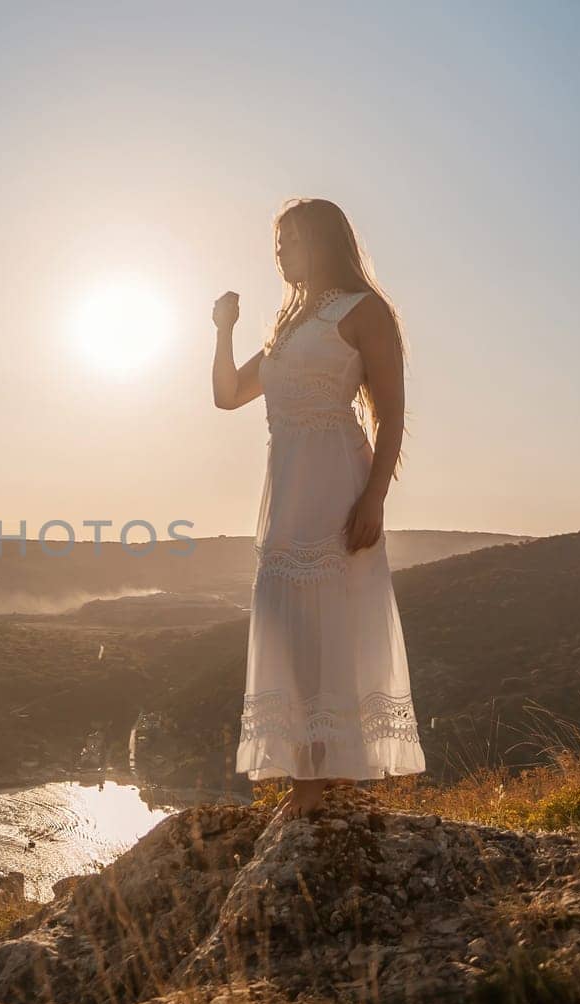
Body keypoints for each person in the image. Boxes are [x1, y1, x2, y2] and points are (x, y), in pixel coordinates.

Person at [211, 198, 427, 817]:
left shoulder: (365, 311)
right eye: (278, 245)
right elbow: (228, 395)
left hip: (337, 482)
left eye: (293, 242)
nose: (281, 254)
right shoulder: (286, 326)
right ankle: (309, 778)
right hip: (285, 492)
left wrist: (375, 497)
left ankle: (324, 785)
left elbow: (390, 411)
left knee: (331, 625)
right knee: (288, 622)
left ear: (327, 242)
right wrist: (223, 329)